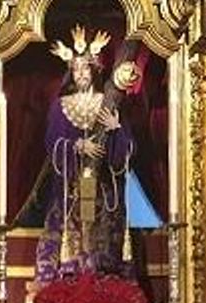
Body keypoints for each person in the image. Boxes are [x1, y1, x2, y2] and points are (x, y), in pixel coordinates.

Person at [18, 25, 136, 285]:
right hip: (70, 189)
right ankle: (69, 282)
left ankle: (103, 280)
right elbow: (53, 144)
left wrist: (116, 130)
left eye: (86, 68)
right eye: (77, 69)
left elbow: (125, 154)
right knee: (70, 234)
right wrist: (77, 146)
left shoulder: (107, 102)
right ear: (71, 73)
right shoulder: (61, 107)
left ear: (94, 70)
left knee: (103, 237)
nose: (82, 73)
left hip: (103, 190)